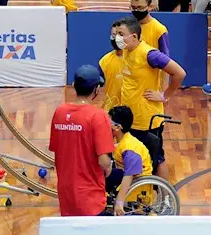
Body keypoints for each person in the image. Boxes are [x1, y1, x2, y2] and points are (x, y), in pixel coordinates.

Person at [113, 16, 185, 176]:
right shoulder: (127, 50)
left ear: (133, 36)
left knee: (157, 159)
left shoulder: (150, 54)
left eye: (120, 33)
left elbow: (179, 73)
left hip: (147, 120)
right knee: (133, 159)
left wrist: (164, 95)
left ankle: (165, 198)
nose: (117, 37)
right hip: (130, 119)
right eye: (116, 33)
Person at [49, 65, 114, 216]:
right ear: (96, 89)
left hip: (65, 194)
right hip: (91, 198)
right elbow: (104, 161)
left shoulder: (59, 112)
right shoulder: (98, 116)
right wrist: (109, 168)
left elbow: (57, 148)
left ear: (73, 86)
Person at [105, 106, 152, 215]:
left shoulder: (130, 150)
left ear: (118, 127)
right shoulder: (123, 140)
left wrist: (119, 202)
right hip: (126, 174)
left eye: (108, 122)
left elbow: (129, 175)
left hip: (137, 181)